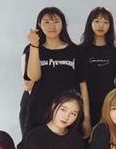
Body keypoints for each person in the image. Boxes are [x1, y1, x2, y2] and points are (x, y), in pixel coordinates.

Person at [23, 7, 91, 137]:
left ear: (63, 24)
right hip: (39, 112)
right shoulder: (32, 49)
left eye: (56, 21)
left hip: (69, 114)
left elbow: (83, 85)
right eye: (46, 22)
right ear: (39, 25)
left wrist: (87, 117)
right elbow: (34, 77)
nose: (51, 26)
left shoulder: (76, 51)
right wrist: (34, 46)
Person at [80, 7, 116, 127]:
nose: (101, 25)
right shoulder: (81, 51)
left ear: (110, 26)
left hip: (109, 105)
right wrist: (86, 117)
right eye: (97, 21)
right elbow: (81, 82)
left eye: (105, 22)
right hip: (85, 105)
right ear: (90, 23)